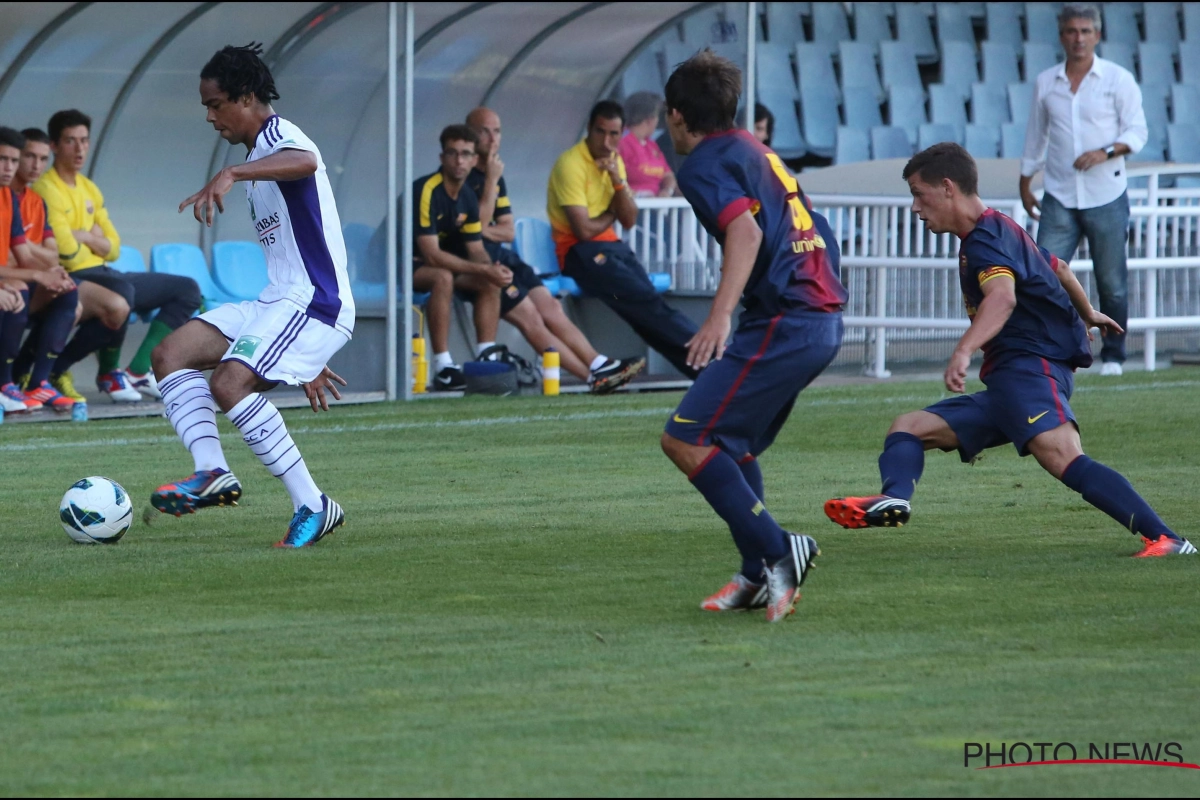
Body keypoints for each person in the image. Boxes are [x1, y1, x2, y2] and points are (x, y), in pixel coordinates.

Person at [825, 143, 1194, 559]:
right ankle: (894, 499)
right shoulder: (998, 226)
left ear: (947, 188)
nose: (915, 207)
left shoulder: (985, 242)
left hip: (1029, 369)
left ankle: (1167, 539)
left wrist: (964, 350)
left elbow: (1002, 299)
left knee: (1062, 456)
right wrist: (1087, 311)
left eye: (918, 193)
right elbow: (1060, 268)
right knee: (908, 427)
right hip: (1008, 380)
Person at [659, 50, 847, 622]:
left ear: (675, 114)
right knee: (730, 443)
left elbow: (743, 231)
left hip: (789, 320)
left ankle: (778, 549)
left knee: (685, 438)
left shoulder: (702, 163)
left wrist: (719, 316)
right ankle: (757, 574)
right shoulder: (754, 148)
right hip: (816, 315)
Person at [151, 43, 352, 548]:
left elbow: (307, 161)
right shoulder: (256, 156)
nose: (210, 117)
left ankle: (313, 503)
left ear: (244, 97)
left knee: (228, 383)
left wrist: (232, 173)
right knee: (170, 354)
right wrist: (295, 351)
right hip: (279, 304)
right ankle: (211, 471)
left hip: (312, 301)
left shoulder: (278, 136)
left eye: (214, 104)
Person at [465, 106, 645, 392]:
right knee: (531, 317)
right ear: (469, 135)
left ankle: (598, 363)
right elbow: (474, 230)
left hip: (503, 255)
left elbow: (507, 230)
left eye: (496, 131)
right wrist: (486, 195)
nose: (492, 138)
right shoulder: (467, 176)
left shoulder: (497, 175)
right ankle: (591, 378)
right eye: (483, 131)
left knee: (550, 307)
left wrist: (479, 226)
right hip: (477, 262)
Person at [33, 109, 203, 403]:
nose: (80, 149)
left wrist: (84, 236)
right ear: (54, 146)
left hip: (104, 271)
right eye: (71, 141)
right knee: (120, 292)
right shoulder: (46, 189)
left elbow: (113, 245)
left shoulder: (89, 189)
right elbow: (68, 253)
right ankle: (100, 373)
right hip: (76, 275)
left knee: (187, 289)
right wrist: (92, 238)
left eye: (84, 141)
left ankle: (138, 371)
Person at [1019, 3, 1146, 376]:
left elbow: (1137, 133)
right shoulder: (1047, 81)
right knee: (1041, 275)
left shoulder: (1118, 79)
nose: (1078, 38)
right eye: (1072, 31)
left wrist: (1104, 152)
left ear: (1097, 35)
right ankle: (1049, 349)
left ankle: (1114, 355)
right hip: (1059, 193)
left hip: (1106, 192)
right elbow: (1036, 135)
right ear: (1062, 36)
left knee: (1112, 281)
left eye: (1085, 31)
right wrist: (1026, 182)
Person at [547, 101, 699, 379]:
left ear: (621, 133)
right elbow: (583, 230)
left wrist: (618, 182)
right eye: (600, 132)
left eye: (614, 134)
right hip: (579, 253)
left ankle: (700, 368)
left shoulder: (615, 161)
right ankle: (710, 356)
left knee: (650, 304)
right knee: (646, 302)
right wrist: (611, 213)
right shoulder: (570, 164)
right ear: (589, 130)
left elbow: (628, 219)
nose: (606, 142)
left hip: (611, 247)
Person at [411, 124, 509, 391]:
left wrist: (491, 268)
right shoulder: (427, 189)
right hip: (401, 264)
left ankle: (486, 359)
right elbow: (430, 254)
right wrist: (482, 269)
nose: (459, 160)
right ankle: (443, 367)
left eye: (466, 154)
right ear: (442, 158)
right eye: (453, 153)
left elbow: (476, 247)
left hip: (437, 264)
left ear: (475, 160)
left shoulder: (466, 195)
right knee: (442, 277)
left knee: (489, 280)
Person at [7, 127, 78, 411]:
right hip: (11, 280)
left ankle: (37, 382)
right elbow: (19, 258)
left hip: (18, 277)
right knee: (18, 292)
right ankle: (8, 381)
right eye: (28, 157)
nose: (36, 165)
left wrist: (46, 269)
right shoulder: (8, 197)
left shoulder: (34, 201)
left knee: (69, 293)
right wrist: (38, 267)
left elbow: (51, 255)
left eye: (42, 158)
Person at [618, 92, 676, 197]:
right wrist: (640, 195)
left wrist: (667, 190)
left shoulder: (652, 145)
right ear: (650, 119)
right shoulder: (621, 142)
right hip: (631, 208)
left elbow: (668, 175)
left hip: (657, 210)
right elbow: (612, 180)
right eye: (658, 116)